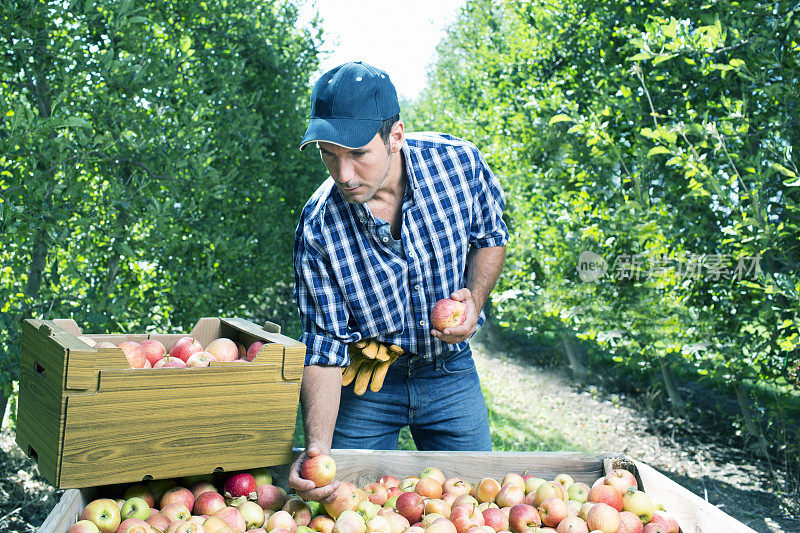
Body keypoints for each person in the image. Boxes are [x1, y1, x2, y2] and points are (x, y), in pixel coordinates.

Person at [287, 62, 508, 502]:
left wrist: (475, 301)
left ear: (396, 136)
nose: (343, 174)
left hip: (449, 370)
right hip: (367, 378)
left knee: (480, 506)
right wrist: (317, 449)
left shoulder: (459, 166)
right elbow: (325, 346)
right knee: (342, 505)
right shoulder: (318, 228)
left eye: (357, 154)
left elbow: (491, 237)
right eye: (329, 155)